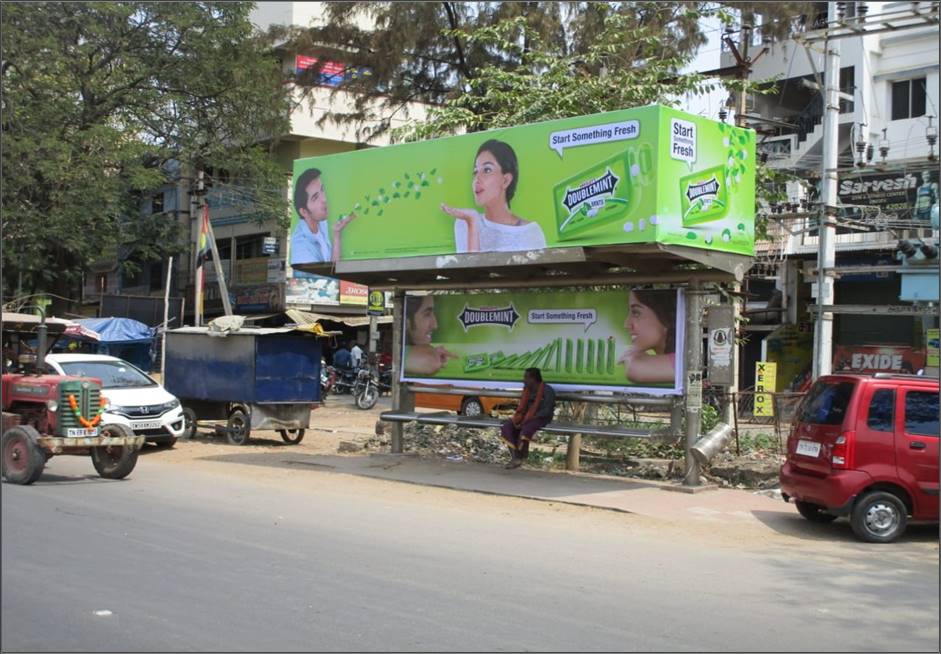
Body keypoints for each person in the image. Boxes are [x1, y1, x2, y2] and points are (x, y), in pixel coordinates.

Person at [440, 139, 547, 254]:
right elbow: (470, 265)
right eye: (475, 172)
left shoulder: (531, 232)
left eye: (487, 170)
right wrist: (472, 221)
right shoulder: (464, 223)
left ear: (506, 180)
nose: (476, 179)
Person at [290, 168, 356, 265]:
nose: (324, 199)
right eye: (315, 197)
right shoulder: (301, 250)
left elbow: (332, 267)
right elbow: (328, 273)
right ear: (304, 212)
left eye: (322, 189)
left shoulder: (320, 221)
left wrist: (337, 234)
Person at [500, 368, 556, 469]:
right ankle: (515, 458)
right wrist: (517, 419)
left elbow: (547, 410)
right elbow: (522, 409)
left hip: (541, 418)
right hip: (525, 417)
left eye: (526, 378)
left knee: (525, 430)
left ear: (533, 379)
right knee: (507, 426)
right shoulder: (527, 391)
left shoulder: (548, 390)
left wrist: (531, 418)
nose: (523, 380)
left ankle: (521, 456)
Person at [617, 289, 677, 384]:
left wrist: (631, 358)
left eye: (636, 313)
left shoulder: (686, 360)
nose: (627, 324)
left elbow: (635, 369)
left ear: (664, 316)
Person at [403, 295, 457, 376]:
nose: (435, 325)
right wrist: (433, 355)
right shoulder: (395, 351)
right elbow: (431, 361)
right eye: (427, 314)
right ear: (406, 320)